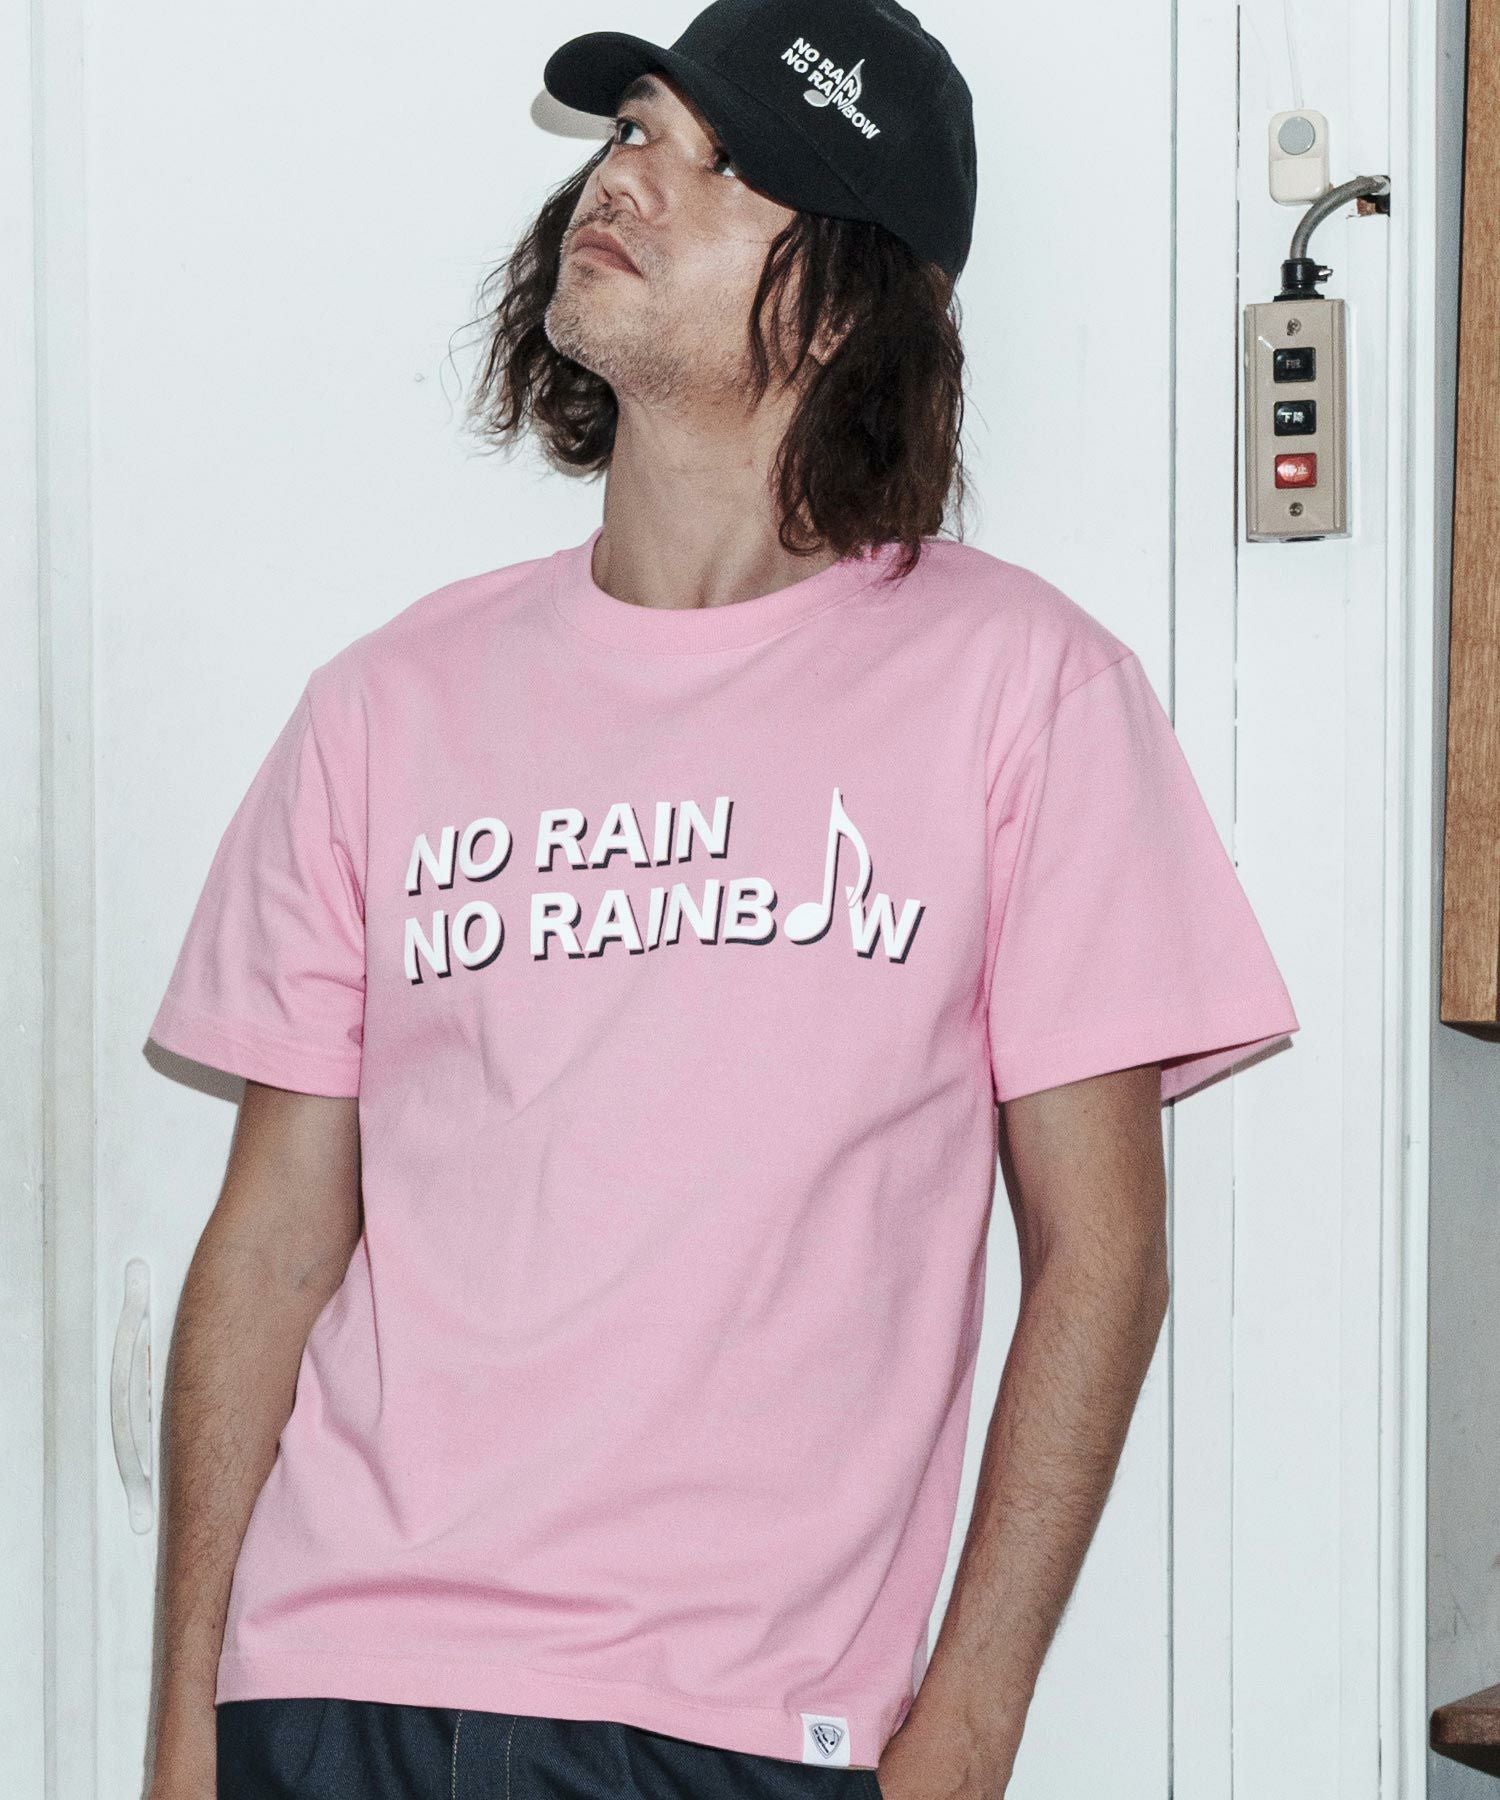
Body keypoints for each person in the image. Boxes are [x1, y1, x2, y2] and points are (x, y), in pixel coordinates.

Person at [143, 1, 1301, 1796]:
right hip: (334, 1682)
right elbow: (276, 1237)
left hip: (738, 1723)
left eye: (721, 162)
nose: (627, 178)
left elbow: (1103, 1253)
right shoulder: (387, 703)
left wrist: (971, 1725)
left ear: (844, 301)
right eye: (633, 132)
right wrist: (184, 1720)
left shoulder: (1025, 693)